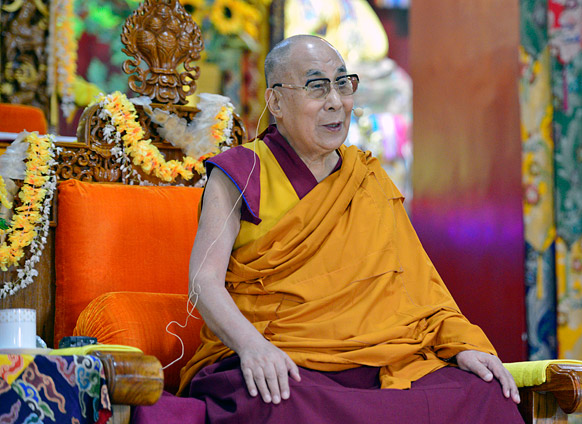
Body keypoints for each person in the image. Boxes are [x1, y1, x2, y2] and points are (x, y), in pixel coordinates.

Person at [173, 34, 523, 423]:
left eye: (342, 83)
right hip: (285, 356)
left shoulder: (367, 179)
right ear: (275, 102)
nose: (335, 101)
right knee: (278, 401)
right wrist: (253, 348)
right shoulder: (241, 171)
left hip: (380, 359)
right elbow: (204, 281)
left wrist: (459, 345)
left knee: (484, 395)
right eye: (316, 86)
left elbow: (418, 288)